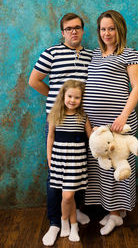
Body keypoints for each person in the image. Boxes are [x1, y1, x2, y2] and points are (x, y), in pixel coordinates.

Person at [29, 13, 92, 246]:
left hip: (82, 120)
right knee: (55, 174)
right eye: (68, 28)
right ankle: (56, 221)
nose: (73, 31)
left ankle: (75, 209)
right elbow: (34, 81)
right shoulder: (51, 53)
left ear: (83, 30)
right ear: (62, 32)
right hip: (58, 121)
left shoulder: (90, 55)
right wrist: (56, 101)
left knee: (81, 167)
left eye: (77, 27)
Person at [83, 10, 138, 235]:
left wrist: (123, 116)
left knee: (117, 167)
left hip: (119, 122)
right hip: (97, 124)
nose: (107, 33)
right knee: (102, 167)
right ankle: (114, 210)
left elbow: (136, 87)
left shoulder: (129, 53)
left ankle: (116, 216)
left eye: (111, 28)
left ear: (120, 30)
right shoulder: (95, 55)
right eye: (103, 29)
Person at [47, 80, 92, 242]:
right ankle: (72, 225)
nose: (72, 100)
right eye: (70, 96)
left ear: (82, 99)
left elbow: (91, 137)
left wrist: (105, 138)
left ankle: (65, 220)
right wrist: (49, 158)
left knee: (68, 196)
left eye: (77, 97)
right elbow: (50, 138)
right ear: (63, 96)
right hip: (59, 159)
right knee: (68, 197)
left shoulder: (83, 116)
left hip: (76, 161)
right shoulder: (55, 114)